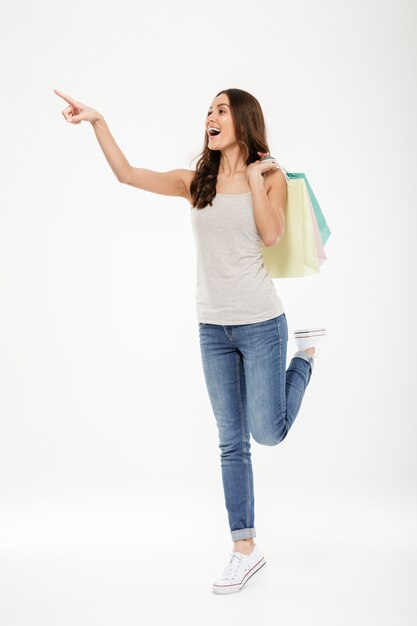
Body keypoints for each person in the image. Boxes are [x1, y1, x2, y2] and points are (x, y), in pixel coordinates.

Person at [54, 86, 326, 595]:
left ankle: (305, 357)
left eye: (221, 110)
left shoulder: (271, 180)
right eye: (208, 111)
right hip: (212, 329)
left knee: (268, 433)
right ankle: (244, 549)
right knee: (231, 441)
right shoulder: (195, 183)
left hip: (262, 324)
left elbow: (270, 237)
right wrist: (98, 122)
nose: (210, 117)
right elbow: (128, 174)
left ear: (244, 122)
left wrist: (251, 176)